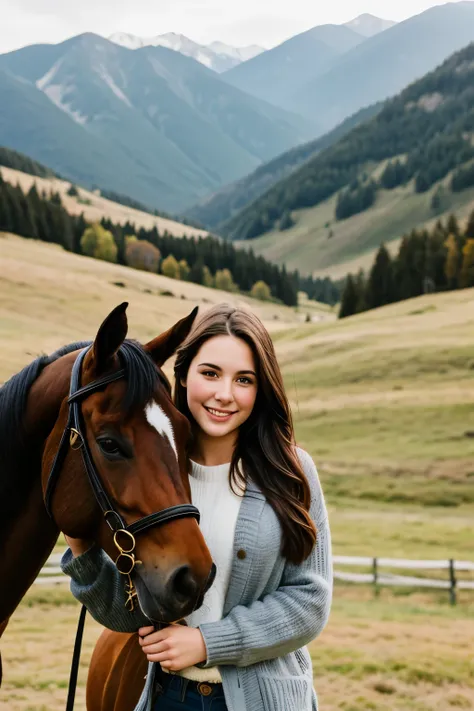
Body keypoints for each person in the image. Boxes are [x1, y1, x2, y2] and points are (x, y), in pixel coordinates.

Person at [61, 304, 333, 711]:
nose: (225, 394)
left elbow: (310, 600)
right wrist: (82, 551)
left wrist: (207, 643)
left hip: (269, 700)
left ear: (260, 389)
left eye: (244, 379)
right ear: (183, 375)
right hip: (167, 696)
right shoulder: (154, 474)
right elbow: (126, 613)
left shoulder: (291, 472)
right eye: (210, 373)